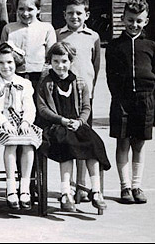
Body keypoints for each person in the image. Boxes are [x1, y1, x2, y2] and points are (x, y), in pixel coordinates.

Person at [36, 42, 111, 212]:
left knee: (94, 144)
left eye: (64, 61)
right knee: (68, 145)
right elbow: (43, 109)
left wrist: (80, 121)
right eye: (56, 61)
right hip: (56, 126)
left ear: (70, 62)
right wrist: (61, 120)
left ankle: (96, 191)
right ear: (50, 62)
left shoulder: (79, 83)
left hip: (76, 124)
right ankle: (65, 193)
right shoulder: (46, 83)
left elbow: (86, 107)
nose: (60, 66)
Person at [105, 0, 155, 205]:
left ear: (145, 21)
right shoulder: (115, 46)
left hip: (144, 100)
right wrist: (118, 96)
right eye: (130, 20)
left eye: (138, 21)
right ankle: (125, 187)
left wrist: (148, 94)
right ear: (122, 19)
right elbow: (110, 75)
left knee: (139, 144)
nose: (133, 24)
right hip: (122, 100)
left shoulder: (151, 46)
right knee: (123, 142)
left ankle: (137, 185)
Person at [0, 43, 42, 210]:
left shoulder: (25, 83)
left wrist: (26, 122)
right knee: (12, 141)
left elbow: (30, 106)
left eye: (9, 62)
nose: (5, 67)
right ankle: (10, 188)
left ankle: (24, 188)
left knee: (29, 142)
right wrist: (4, 122)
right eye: (1, 63)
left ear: (16, 64)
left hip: (21, 122)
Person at [57, 0, 102, 202]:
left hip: (85, 99)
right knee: (68, 142)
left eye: (79, 13)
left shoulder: (93, 37)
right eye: (70, 13)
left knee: (85, 141)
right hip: (64, 97)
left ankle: (83, 186)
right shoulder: (58, 35)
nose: (74, 17)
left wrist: (88, 92)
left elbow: (95, 68)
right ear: (64, 14)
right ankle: (68, 185)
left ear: (87, 14)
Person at [1, 0, 56, 85]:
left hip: (39, 78)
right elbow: (2, 55)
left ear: (38, 10)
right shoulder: (8, 28)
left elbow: (51, 57)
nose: (25, 14)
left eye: (30, 9)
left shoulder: (47, 28)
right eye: (21, 9)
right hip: (14, 76)